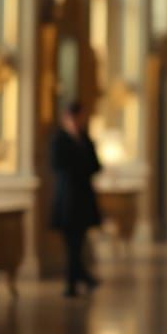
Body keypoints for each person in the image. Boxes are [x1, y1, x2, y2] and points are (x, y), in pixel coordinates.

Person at [50, 99, 103, 298]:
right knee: (71, 244)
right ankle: (76, 279)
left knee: (78, 243)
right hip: (66, 199)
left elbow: (96, 165)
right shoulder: (59, 140)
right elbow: (57, 165)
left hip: (83, 198)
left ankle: (79, 277)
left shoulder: (85, 139)